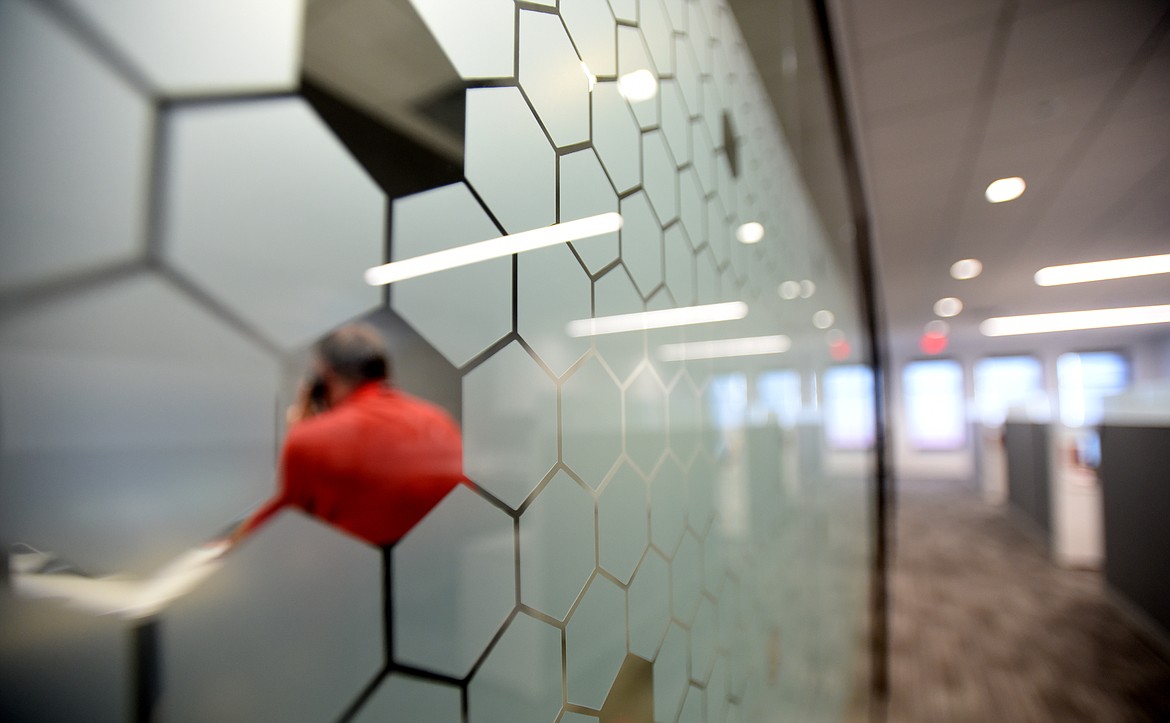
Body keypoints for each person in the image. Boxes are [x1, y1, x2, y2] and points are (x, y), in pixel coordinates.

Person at [233, 323, 465, 547]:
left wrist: (300, 433)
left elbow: (263, 537)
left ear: (322, 379)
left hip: (355, 579)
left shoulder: (311, 441)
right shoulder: (440, 421)